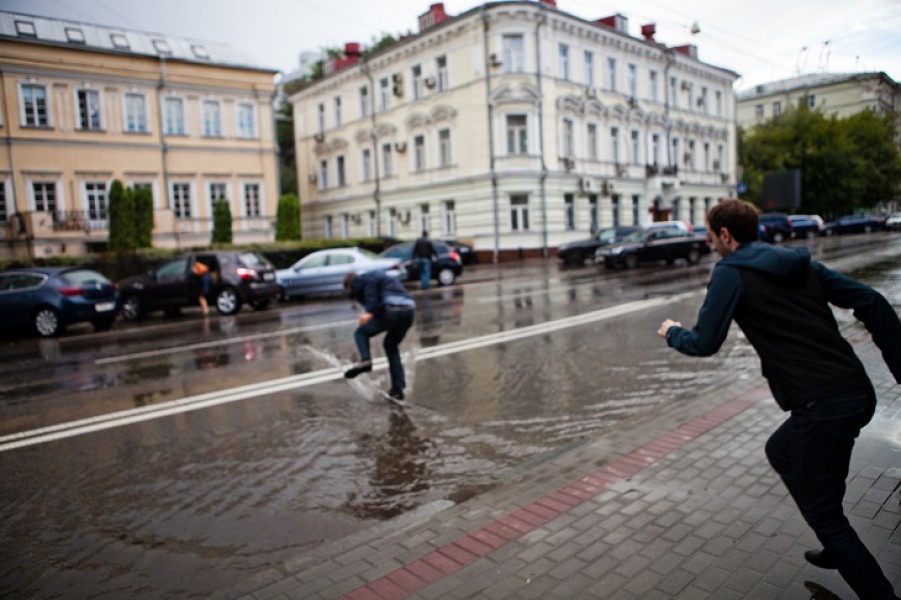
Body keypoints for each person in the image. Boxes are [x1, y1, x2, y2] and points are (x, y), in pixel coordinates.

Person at [657, 199, 901, 600]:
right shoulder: (798, 263)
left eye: (710, 234)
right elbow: (871, 300)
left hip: (821, 405)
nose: (708, 241)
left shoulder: (730, 272)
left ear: (725, 235)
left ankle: (868, 579)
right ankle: (836, 541)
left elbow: (704, 343)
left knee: (827, 515)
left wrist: (672, 332)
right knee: (781, 450)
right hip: (856, 392)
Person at [342, 270, 416, 401]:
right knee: (390, 345)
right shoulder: (378, 278)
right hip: (409, 310)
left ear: (350, 285)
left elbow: (372, 298)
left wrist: (369, 312)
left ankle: (366, 361)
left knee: (361, 333)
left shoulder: (365, 279)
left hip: (392, 309)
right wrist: (372, 312)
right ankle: (398, 389)